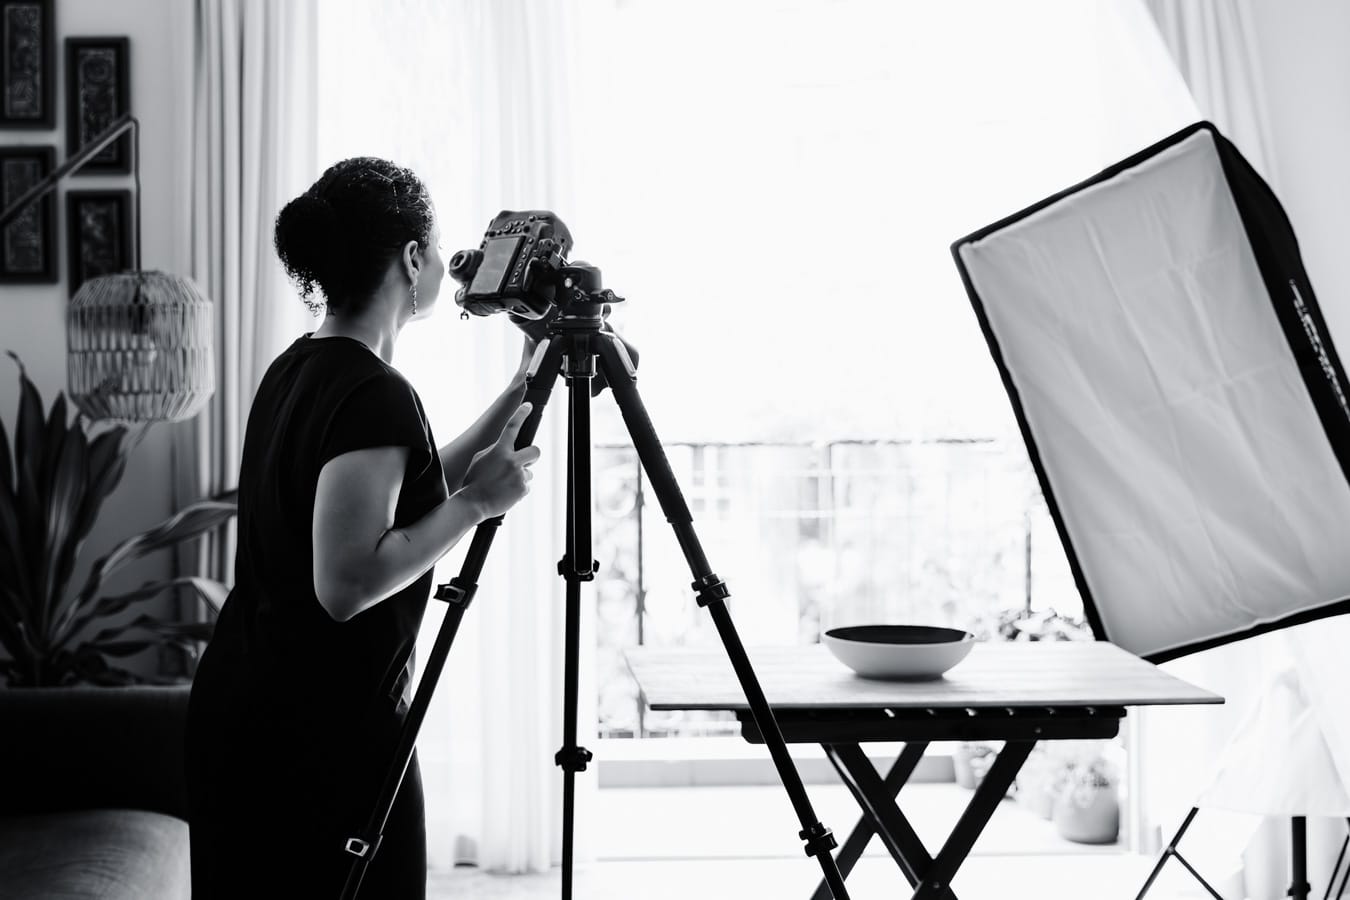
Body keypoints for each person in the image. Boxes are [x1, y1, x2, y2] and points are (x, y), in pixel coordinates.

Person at [185, 157, 540, 899]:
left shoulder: (299, 368)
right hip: (319, 737)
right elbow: (346, 584)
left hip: (248, 707)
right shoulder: (374, 392)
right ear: (411, 258)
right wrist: (476, 506)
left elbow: (406, 492)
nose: (442, 260)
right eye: (435, 245)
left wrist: (519, 389)